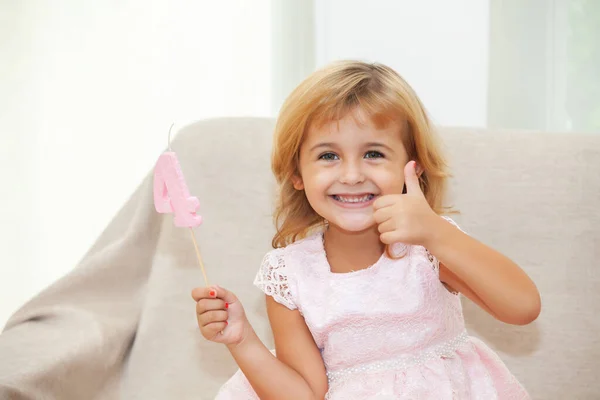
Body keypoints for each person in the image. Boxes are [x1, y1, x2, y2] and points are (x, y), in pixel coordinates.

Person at [191, 60, 541, 399]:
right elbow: (307, 395)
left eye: (373, 153)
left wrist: (436, 233)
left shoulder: (428, 248)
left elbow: (522, 308)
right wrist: (241, 340)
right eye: (328, 156)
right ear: (297, 173)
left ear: (412, 166)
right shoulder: (289, 275)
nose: (352, 175)